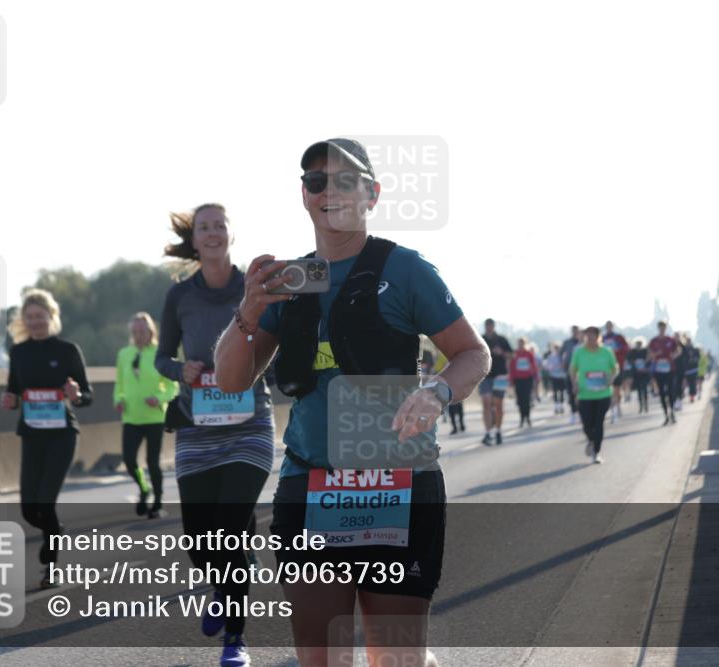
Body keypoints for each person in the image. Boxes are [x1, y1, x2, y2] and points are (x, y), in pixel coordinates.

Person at [213, 138, 489, 667]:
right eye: (317, 182)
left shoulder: (406, 270)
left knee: (395, 660)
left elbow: (472, 354)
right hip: (311, 484)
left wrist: (436, 391)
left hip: (397, 484)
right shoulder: (290, 279)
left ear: (372, 194)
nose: (330, 191)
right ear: (304, 196)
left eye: (345, 180)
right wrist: (247, 310)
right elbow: (230, 381)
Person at [155, 205, 276, 666]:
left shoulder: (255, 286)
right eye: (204, 227)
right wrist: (179, 368)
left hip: (250, 426)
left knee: (229, 527)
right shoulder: (179, 296)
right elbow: (161, 357)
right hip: (197, 429)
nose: (212, 233)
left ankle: (235, 639)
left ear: (230, 234)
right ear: (195, 239)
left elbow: (277, 343)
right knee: (199, 540)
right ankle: (230, 578)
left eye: (219, 226)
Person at [1, 289, 92, 589]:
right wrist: (9, 400)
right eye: (30, 317)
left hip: (62, 434)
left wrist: (75, 395)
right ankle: (54, 530)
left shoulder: (67, 350)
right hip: (32, 434)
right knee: (29, 508)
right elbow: (13, 390)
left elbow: (86, 396)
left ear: (51, 317)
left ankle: (50, 567)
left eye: (40, 316)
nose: (35, 322)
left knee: (46, 501)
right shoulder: (19, 352)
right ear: (23, 321)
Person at [114, 312, 178, 518]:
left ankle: (157, 503)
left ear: (151, 331)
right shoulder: (124, 353)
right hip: (131, 417)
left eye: (141, 331)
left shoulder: (160, 353)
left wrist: (159, 398)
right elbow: (119, 384)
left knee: (152, 462)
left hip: (154, 417)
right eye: (134, 332)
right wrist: (118, 400)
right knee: (129, 460)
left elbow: (172, 387)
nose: (138, 335)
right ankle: (144, 488)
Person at [569, 326, 618, 464]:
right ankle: (591, 440)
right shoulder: (579, 352)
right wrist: (574, 384)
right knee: (586, 424)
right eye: (587, 335)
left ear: (598, 337)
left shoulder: (606, 352)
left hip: (603, 394)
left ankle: (596, 452)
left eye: (593, 335)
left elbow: (615, 368)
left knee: (599, 422)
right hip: (585, 394)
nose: (590, 338)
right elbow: (573, 370)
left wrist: (611, 379)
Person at [479, 318, 512, 445]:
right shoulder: (480, 339)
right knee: (486, 403)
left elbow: (511, 355)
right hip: (485, 376)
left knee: (498, 405)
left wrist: (502, 352)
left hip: (500, 376)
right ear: (485, 326)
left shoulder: (502, 340)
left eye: (490, 326)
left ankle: (498, 431)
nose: (488, 328)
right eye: (487, 326)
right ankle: (488, 433)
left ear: (493, 326)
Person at [648, 320, 682, 426]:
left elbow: (678, 350)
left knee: (671, 391)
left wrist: (673, 356)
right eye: (660, 327)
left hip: (670, 369)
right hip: (659, 370)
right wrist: (655, 354)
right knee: (662, 393)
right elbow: (649, 355)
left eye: (663, 327)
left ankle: (672, 412)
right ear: (658, 328)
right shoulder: (653, 341)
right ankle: (666, 415)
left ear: (665, 328)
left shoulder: (670, 340)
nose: (662, 329)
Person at [601, 321, 629, 424]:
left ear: (612, 326)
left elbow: (626, 348)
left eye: (610, 326)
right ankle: (612, 410)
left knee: (617, 389)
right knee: (610, 389)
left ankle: (617, 407)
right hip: (605, 368)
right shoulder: (602, 338)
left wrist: (616, 352)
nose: (608, 328)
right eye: (607, 326)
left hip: (617, 366)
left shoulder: (618, 337)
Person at [509, 336, 538, 427]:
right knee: (520, 400)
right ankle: (522, 417)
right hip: (518, 380)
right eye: (519, 343)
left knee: (527, 398)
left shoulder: (529, 354)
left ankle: (527, 417)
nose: (520, 345)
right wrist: (511, 380)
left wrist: (536, 377)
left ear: (525, 344)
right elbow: (512, 367)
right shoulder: (515, 354)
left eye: (522, 343)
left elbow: (534, 366)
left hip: (527, 379)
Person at [435, 351, 466, 434]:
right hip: (449, 383)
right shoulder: (442, 356)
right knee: (453, 405)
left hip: (457, 382)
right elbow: (437, 370)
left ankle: (460, 424)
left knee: (457, 405)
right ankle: (455, 426)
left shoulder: (459, 353)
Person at [560, 325, 582, 424]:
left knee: (581, 393)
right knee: (571, 393)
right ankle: (573, 413)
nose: (575, 333)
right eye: (573, 331)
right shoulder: (567, 342)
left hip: (583, 371)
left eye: (576, 331)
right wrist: (563, 362)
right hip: (570, 371)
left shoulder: (584, 343)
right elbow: (561, 355)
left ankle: (582, 412)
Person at [628, 338, 651, 413]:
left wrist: (645, 368)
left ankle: (646, 405)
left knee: (644, 390)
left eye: (640, 344)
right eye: (637, 344)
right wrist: (634, 365)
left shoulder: (645, 351)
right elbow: (629, 361)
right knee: (639, 391)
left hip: (644, 373)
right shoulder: (632, 352)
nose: (638, 346)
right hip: (636, 374)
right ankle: (641, 406)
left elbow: (649, 361)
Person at [544, 343, 568, 414]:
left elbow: (566, 366)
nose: (557, 350)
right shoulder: (551, 356)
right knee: (555, 392)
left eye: (558, 348)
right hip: (554, 376)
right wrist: (554, 367)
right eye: (556, 348)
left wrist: (562, 365)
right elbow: (548, 366)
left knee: (561, 392)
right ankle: (556, 407)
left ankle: (561, 406)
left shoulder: (563, 356)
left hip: (562, 376)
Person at [681, 335, 701, 403]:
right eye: (687, 342)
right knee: (688, 384)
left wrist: (694, 360)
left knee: (692, 384)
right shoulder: (684, 350)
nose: (688, 343)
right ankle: (688, 394)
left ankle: (692, 396)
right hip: (687, 370)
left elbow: (698, 358)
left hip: (694, 369)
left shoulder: (695, 350)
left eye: (689, 341)